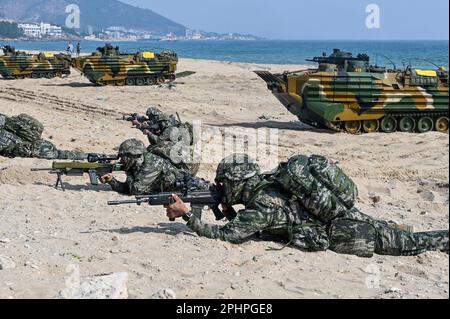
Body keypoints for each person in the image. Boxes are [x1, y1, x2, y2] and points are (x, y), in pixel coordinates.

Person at [165, 154, 449, 258]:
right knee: (396, 234)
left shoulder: (263, 202)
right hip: (345, 220)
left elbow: (230, 236)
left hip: (348, 232)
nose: (222, 187)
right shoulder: (268, 187)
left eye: (224, 183)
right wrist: (226, 209)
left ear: (237, 182)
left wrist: (188, 215)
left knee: (414, 244)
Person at [99, 138, 208, 196]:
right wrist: (111, 181)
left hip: (193, 188)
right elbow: (128, 189)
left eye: (123, 157)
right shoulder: (139, 163)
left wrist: (128, 172)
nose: (121, 160)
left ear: (133, 156)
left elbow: (135, 190)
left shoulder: (152, 163)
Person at [131, 106, 200, 176]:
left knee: (153, 149)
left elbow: (157, 142)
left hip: (187, 169)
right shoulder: (169, 124)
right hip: (188, 161)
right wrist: (141, 126)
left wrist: (149, 133)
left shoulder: (170, 129)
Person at [0, 113, 87, 160]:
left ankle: (86, 156)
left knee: (58, 154)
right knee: (60, 153)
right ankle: (86, 156)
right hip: (22, 142)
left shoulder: (36, 148)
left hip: (29, 147)